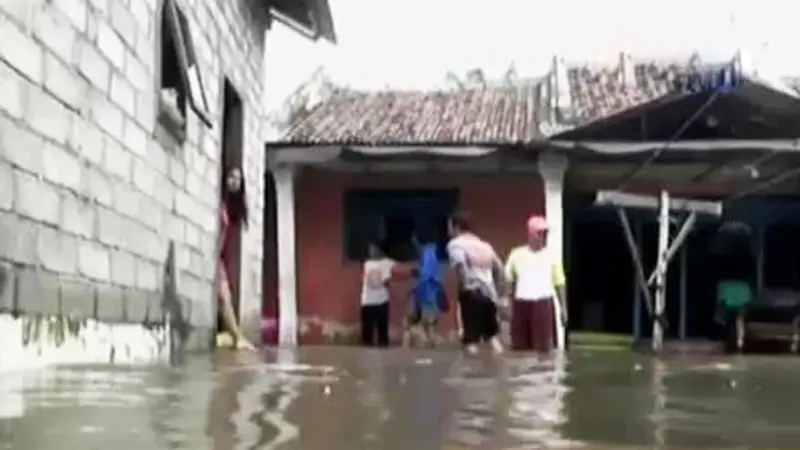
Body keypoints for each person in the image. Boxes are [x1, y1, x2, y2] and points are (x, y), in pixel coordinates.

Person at [505, 215, 567, 353]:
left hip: (543, 304)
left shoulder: (552, 255)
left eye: (545, 234)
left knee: (544, 348)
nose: (543, 237)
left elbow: (560, 283)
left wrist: (563, 309)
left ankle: (543, 373)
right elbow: (509, 281)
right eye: (540, 233)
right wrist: (508, 306)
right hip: (521, 304)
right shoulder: (516, 254)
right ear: (531, 234)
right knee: (520, 348)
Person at [446, 212, 507, 354]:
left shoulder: (455, 245)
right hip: (489, 296)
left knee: (470, 341)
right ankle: (500, 368)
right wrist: (498, 294)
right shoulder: (485, 245)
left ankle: (471, 372)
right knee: (492, 337)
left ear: (456, 227)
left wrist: (466, 287)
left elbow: (461, 266)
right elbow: (500, 270)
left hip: (471, 294)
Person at [215, 166, 254, 350]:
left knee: (226, 297)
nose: (234, 181)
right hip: (213, 257)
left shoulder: (231, 206)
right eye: (231, 176)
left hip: (218, 258)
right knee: (224, 297)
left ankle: (236, 337)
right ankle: (237, 338)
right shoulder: (217, 201)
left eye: (238, 179)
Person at [402, 231, 443, 348]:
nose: (413, 245)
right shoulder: (427, 254)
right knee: (425, 326)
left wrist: (414, 289)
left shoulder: (428, 253)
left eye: (414, 241)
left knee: (428, 326)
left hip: (427, 296)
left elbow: (426, 277)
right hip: (426, 296)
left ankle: (432, 349)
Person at [360, 242, 397, 346]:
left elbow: (397, 268)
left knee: (382, 332)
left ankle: (383, 356)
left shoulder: (387, 262)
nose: (371, 252)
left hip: (382, 301)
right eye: (370, 250)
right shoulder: (366, 263)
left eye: (373, 249)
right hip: (367, 301)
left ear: (380, 251)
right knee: (367, 333)